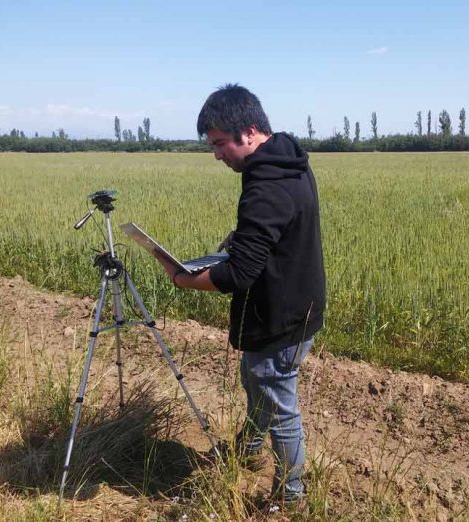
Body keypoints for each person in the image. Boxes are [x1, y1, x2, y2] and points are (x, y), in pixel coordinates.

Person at [160, 84, 326, 504]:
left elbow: (238, 275)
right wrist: (244, 236)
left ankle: (289, 496)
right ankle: (249, 449)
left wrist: (182, 278)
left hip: (280, 315)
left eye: (219, 144)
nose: (216, 154)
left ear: (249, 132)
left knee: (278, 401)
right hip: (298, 301)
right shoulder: (286, 158)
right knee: (255, 380)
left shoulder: (264, 185)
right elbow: (279, 226)